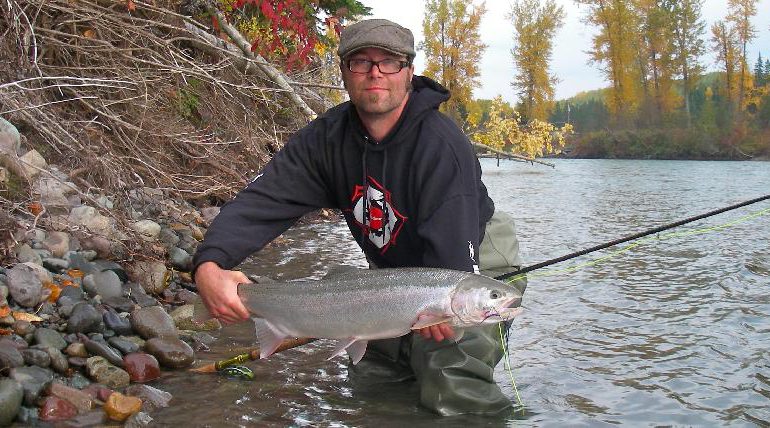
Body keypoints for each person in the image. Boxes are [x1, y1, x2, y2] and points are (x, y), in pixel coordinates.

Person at [192, 18, 526, 416]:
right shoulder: (325, 140)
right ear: (344, 71)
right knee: (375, 380)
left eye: (389, 62)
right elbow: (262, 201)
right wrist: (210, 263)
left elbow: (454, 249)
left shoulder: (441, 145)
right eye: (360, 62)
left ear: (409, 71)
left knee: (451, 376)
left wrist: (443, 310)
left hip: (468, 259)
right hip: (393, 274)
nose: (374, 73)